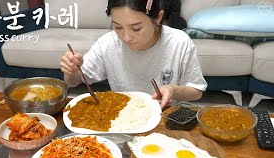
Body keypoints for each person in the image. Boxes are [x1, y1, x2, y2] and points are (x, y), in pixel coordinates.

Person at [60, 0, 207, 108]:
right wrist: (71, 71)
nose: (126, 38)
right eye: (117, 27)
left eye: (136, 28)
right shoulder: (107, 43)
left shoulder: (179, 42)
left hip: (166, 117)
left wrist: (173, 90)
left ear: (158, 17)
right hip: (122, 115)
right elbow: (73, 82)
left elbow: (196, 91)